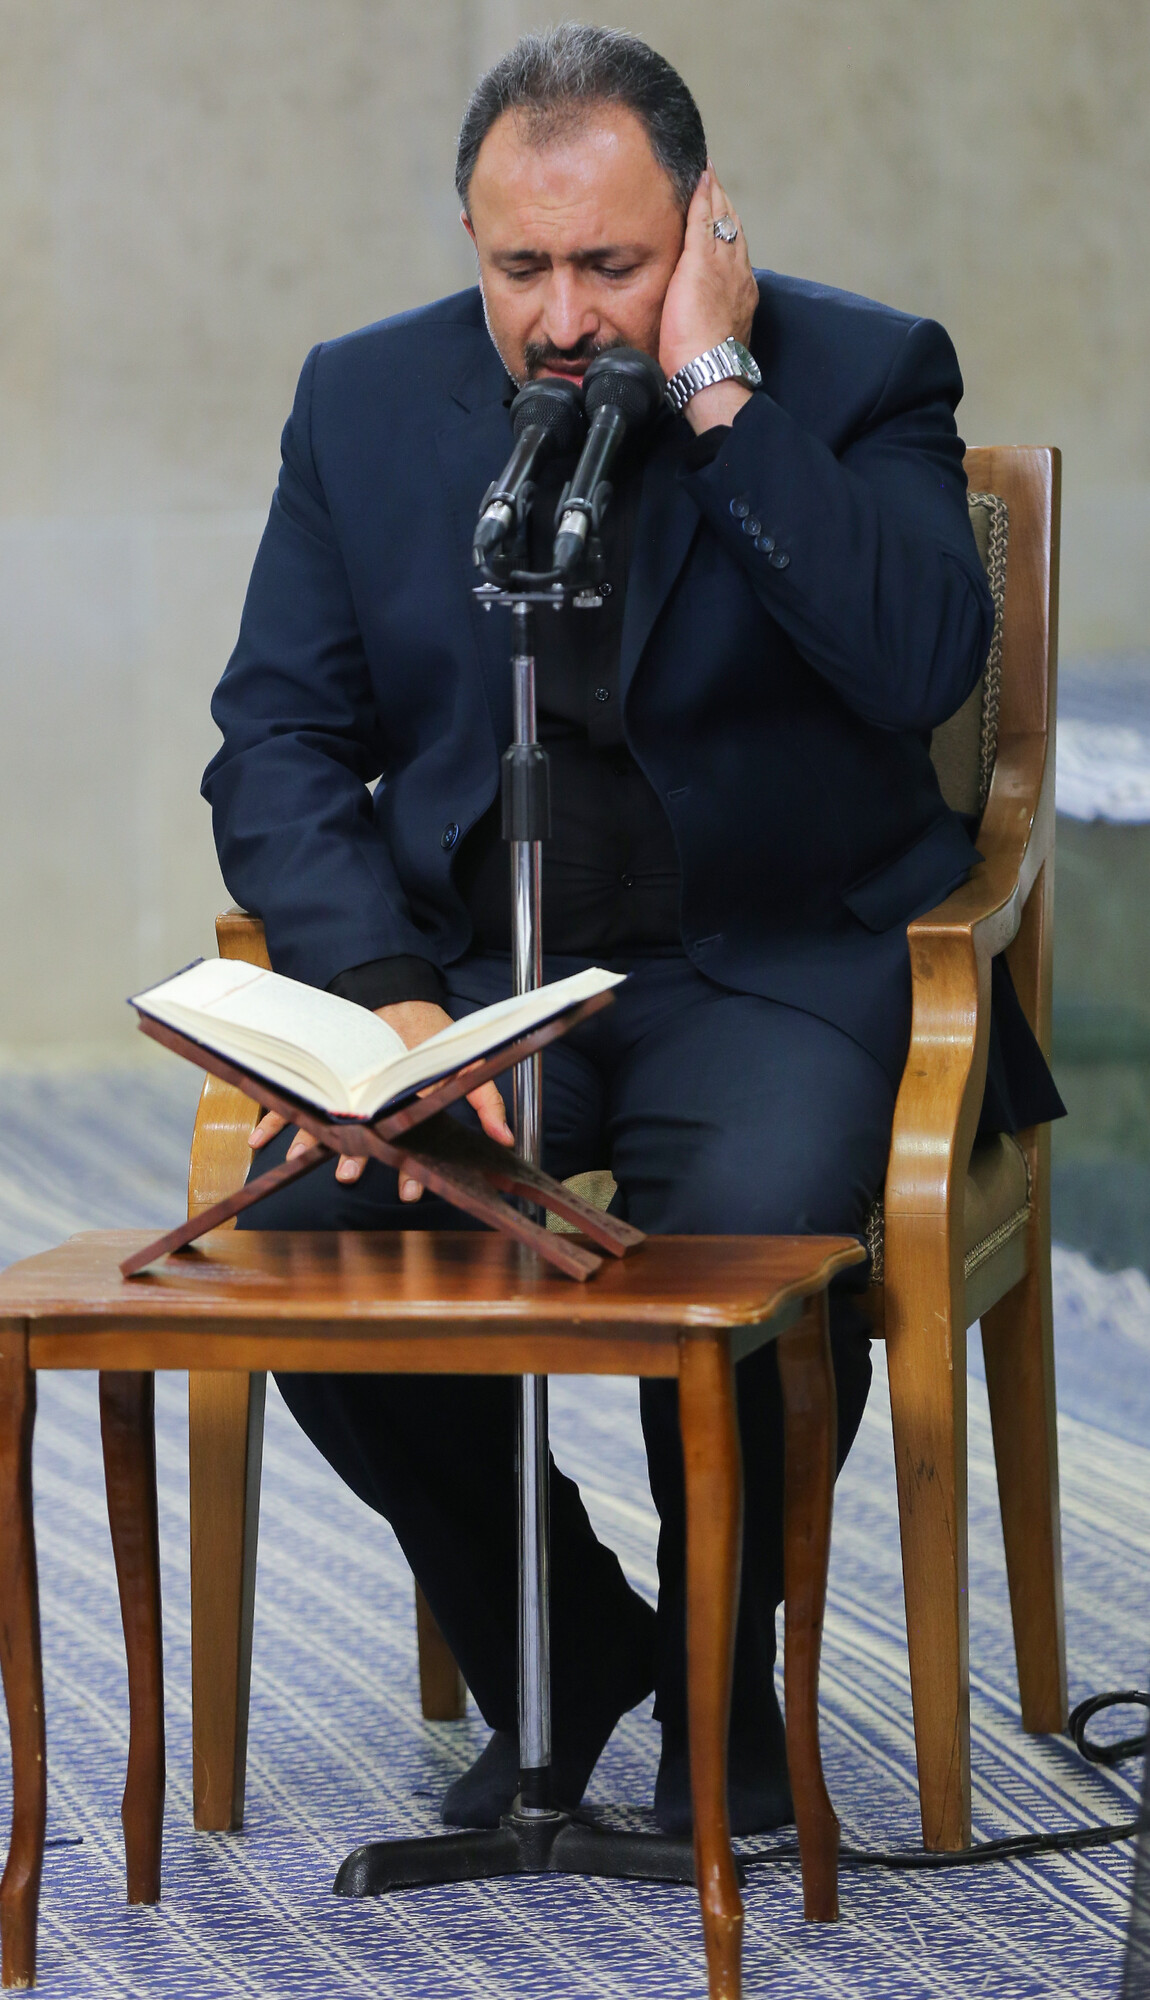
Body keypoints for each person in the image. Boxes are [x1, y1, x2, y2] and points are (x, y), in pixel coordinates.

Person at [202, 24, 1062, 1837]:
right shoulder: (360, 401)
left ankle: (721, 1682)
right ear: (469, 237)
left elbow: (922, 661)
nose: (563, 315)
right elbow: (276, 739)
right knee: (294, 1246)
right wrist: (389, 1000)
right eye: (520, 267)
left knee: (753, 1243)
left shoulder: (861, 371)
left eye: (611, 263)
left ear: (704, 228)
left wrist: (719, 392)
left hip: (779, 963)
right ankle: (570, 1654)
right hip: (479, 981)